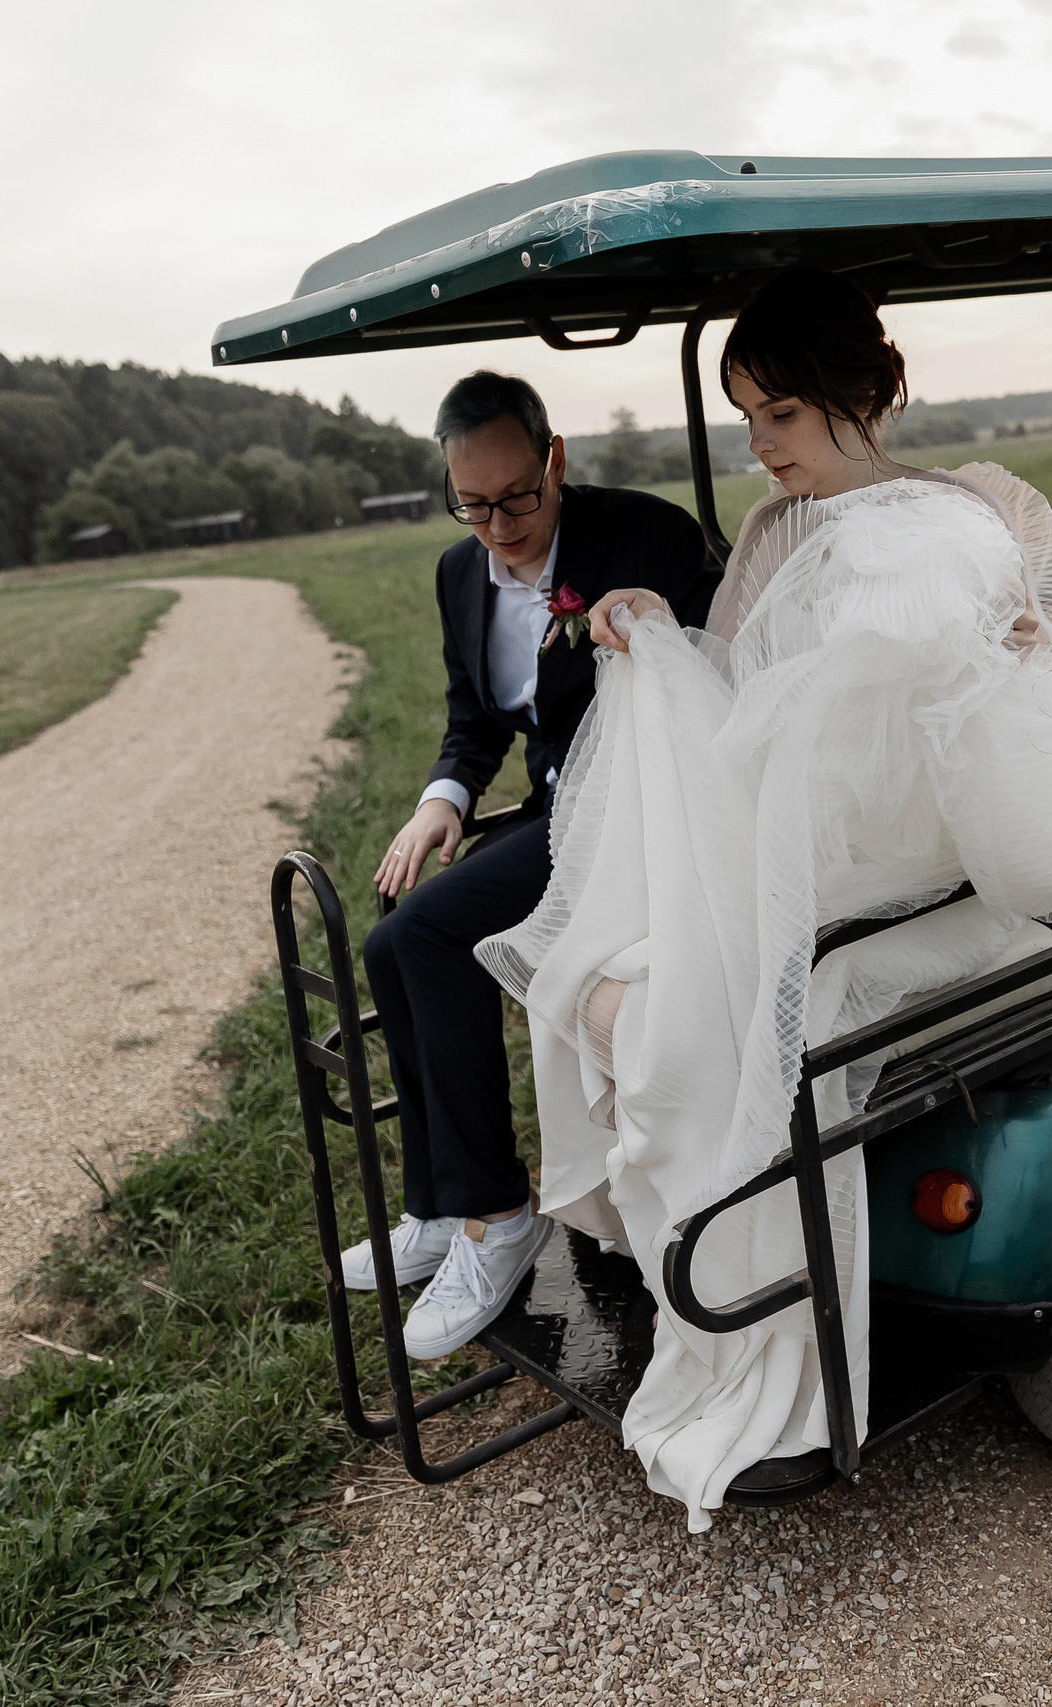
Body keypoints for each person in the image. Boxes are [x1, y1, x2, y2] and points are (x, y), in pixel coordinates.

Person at [474, 270, 1052, 1531]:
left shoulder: (983, 516)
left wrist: (1006, 670)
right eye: (747, 419)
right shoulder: (774, 537)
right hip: (812, 864)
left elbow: (1032, 771)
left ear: (871, 398)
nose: (761, 447)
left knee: (689, 1021)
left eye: (781, 416)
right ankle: (680, 1273)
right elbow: (738, 688)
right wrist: (654, 630)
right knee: (591, 974)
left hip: (937, 885)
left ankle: (758, 1326)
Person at [344, 370, 720, 1361]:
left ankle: (500, 1220)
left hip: (641, 813)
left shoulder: (646, 538)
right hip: (561, 807)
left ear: (555, 458)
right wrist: (441, 802)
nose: (499, 525)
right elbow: (474, 720)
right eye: (472, 504)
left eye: (517, 498)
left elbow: (714, 675)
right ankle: (438, 1202)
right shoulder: (456, 573)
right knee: (390, 944)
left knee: (431, 937)